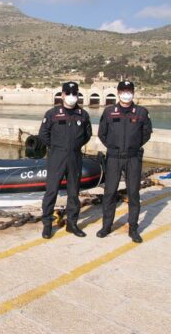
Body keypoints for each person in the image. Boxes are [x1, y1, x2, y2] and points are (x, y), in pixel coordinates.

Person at [97, 80, 152, 243]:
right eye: (123, 91)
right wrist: (113, 147)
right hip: (113, 158)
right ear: (118, 92)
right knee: (109, 193)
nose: (126, 93)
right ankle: (106, 226)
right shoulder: (109, 112)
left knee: (134, 193)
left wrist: (133, 146)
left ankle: (133, 228)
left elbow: (146, 133)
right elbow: (102, 133)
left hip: (133, 158)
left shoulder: (141, 112)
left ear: (133, 92)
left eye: (129, 90)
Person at [39, 82, 92, 239]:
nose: (71, 97)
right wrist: (56, 147)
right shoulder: (52, 113)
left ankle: (72, 224)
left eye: (74, 94)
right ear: (62, 95)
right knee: (52, 191)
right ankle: (47, 225)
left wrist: (75, 146)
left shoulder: (83, 114)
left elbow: (87, 134)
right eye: (68, 93)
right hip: (57, 156)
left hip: (75, 156)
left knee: (74, 192)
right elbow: (43, 134)